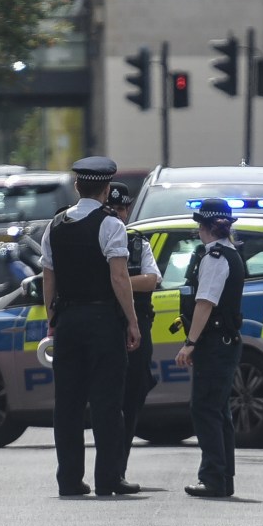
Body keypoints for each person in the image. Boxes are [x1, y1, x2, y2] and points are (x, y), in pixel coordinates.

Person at [40, 156, 141, 497]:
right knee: (106, 403)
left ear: (76, 186)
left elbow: (48, 280)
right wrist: (132, 321)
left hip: (67, 321)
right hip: (102, 322)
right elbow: (119, 277)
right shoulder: (110, 225)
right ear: (107, 189)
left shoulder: (55, 226)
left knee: (67, 404)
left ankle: (69, 479)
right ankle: (108, 479)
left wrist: (52, 321)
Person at [174, 198, 245, 498]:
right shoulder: (230, 254)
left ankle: (214, 477)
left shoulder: (214, 258)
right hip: (225, 343)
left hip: (215, 343)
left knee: (204, 409)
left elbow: (205, 303)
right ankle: (222, 477)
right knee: (218, 411)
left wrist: (190, 343)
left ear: (204, 227)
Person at [105, 182, 162, 486]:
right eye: (112, 209)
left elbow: (152, 280)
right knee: (109, 402)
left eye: (122, 208)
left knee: (132, 399)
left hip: (137, 330)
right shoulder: (96, 239)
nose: (117, 213)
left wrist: (117, 280)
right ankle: (110, 471)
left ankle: (119, 469)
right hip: (107, 329)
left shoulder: (138, 244)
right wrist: (127, 281)